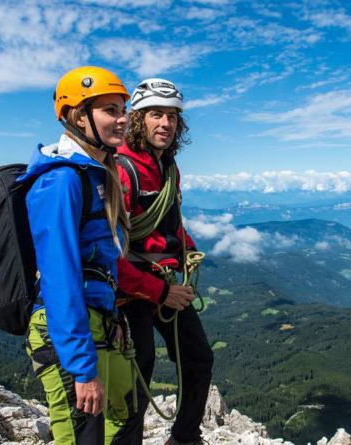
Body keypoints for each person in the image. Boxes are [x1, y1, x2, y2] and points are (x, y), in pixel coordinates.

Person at [21, 66, 139, 444]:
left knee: (127, 410)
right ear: (78, 116)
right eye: (110, 110)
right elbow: (60, 277)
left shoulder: (96, 174)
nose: (122, 120)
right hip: (65, 331)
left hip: (99, 321)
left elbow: (99, 261)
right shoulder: (61, 181)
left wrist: (113, 313)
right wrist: (81, 369)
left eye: (124, 109)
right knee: (83, 434)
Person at [116, 78, 214, 445]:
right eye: (156, 114)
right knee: (138, 375)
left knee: (199, 359)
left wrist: (187, 249)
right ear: (138, 119)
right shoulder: (122, 170)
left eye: (172, 116)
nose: (166, 124)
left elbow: (169, 222)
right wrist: (160, 293)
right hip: (130, 288)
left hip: (164, 279)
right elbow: (109, 254)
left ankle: (185, 438)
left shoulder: (168, 168)